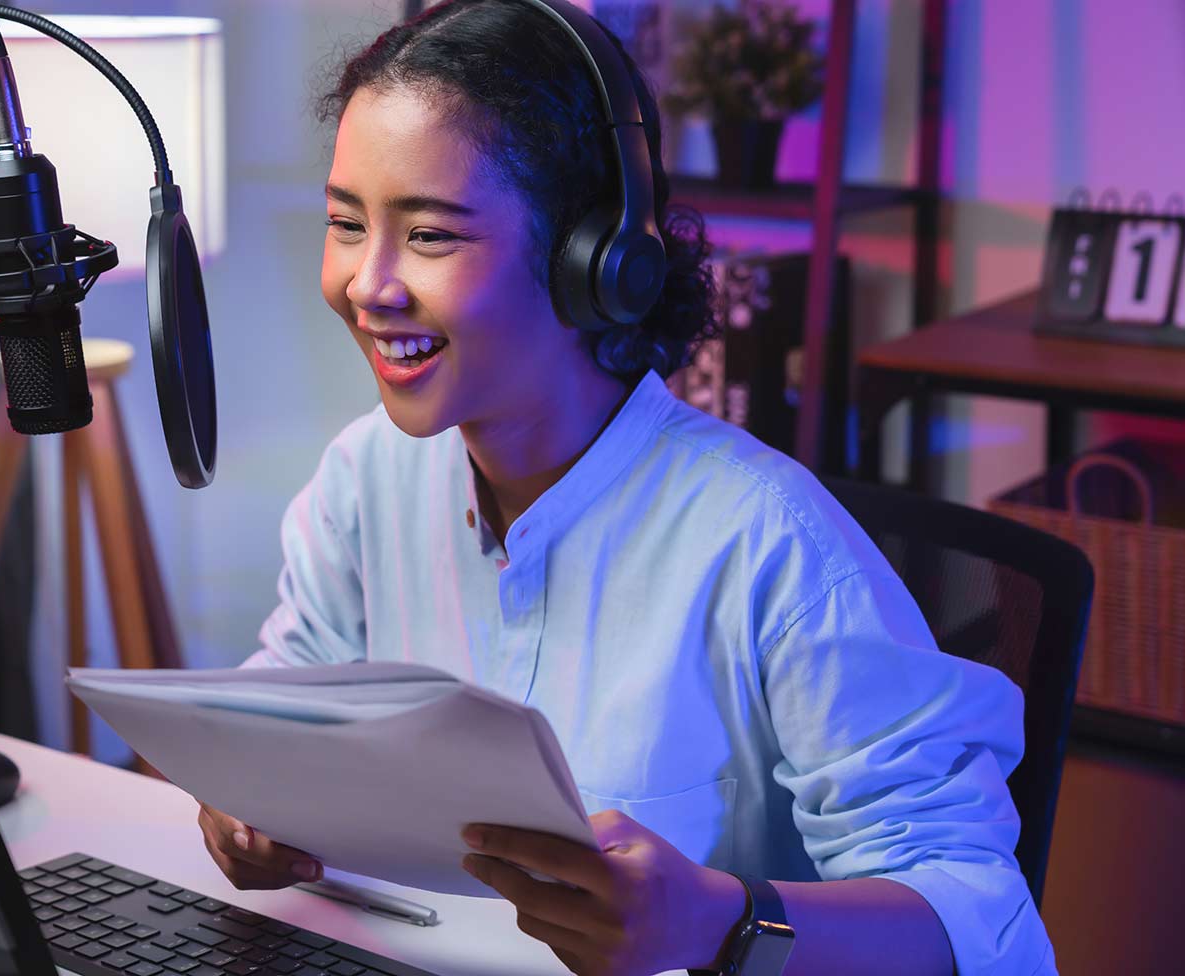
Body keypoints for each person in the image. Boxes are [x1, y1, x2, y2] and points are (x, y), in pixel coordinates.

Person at [195, 2, 1055, 973]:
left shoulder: (773, 545)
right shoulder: (365, 478)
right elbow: (283, 703)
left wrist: (725, 923)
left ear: (592, 258)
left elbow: (982, 921)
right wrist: (247, 795)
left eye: (429, 235)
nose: (367, 284)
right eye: (347, 224)